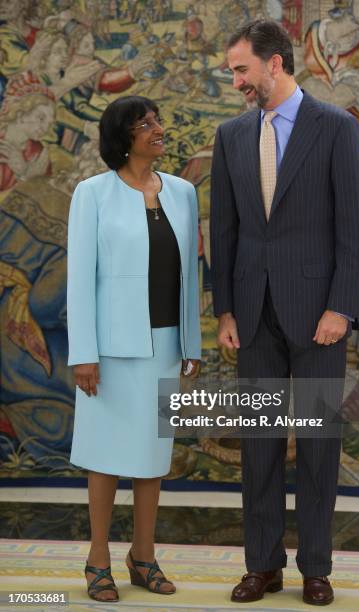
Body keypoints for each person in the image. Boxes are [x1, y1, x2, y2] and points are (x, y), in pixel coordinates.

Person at [210, 20, 359, 606]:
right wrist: (224, 309)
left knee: (319, 444)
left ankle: (316, 569)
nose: (235, 81)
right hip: (251, 314)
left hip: (319, 318)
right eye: (233, 71)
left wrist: (341, 307)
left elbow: (356, 229)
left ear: (274, 64)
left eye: (241, 70)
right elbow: (222, 231)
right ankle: (263, 566)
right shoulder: (230, 136)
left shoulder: (335, 128)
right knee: (258, 445)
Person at [67, 95, 201, 602]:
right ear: (124, 138)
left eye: (157, 121)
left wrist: (191, 340)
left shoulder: (184, 193)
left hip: (165, 345)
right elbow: (80, 280)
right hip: (109, 351)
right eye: (145, 124)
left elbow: (190, 273)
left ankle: (142, 556)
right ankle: (97, 557)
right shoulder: (92, 193)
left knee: (152, 458)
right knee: (104, 458)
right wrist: (85, 353)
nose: (157, 129)